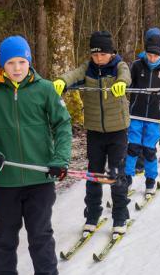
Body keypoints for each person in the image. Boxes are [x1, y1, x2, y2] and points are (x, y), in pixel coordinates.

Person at [0, 35, 72, 275]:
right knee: (4, 238)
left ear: (29, 61)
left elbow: (63, 126)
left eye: (21, 62)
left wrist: (59, 160)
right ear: (2, 64)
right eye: (11, 63)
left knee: (39, 235)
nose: (17, 68)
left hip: (40, 178)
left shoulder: (44, 90)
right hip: (6, 180)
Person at [51, 31, 131, 238]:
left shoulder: (118, 66)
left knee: (116, 174)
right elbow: (74, 74)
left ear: (111, 53)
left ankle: (120, 216)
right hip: (95, 131)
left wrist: (121, 83)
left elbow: (126, 75)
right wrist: (62, 81)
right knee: (93, 174)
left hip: (117, 131)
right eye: (95, 55)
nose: (98, 59)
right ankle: (92, 215)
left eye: (102, 55)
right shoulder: (89, 68)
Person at [126, 30, 160, 196]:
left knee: (149, 149)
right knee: (132, 147)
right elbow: (125, 83)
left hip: (155, 117)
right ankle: (126, 179)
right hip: (136, 114)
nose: (152, 59)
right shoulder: (136, 65)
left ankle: (150, 180)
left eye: (155, 56)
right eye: (149, 55)